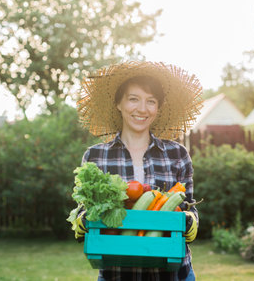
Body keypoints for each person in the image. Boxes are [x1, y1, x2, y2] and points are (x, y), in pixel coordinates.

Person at [73, 61, 203, 281]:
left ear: (158, 108)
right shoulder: (95, 156)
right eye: (133, 99)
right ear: (119, 104)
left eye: (150, 101)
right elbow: (81, 214)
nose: (142, 109)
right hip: (116, 274)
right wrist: (85, 220)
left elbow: (190, 210)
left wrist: (187, 221)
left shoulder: (177, 154)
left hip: (173, 274)